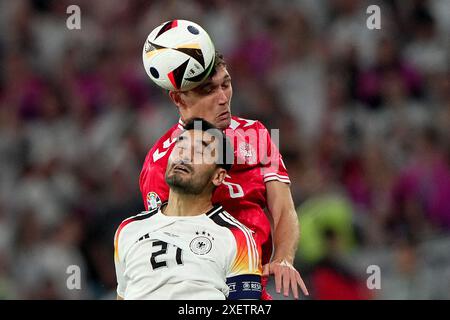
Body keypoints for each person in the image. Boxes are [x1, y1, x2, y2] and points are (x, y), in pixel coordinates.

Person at [140, 51, 308, 299]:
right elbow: (163, 242)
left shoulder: (256, 134)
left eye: (226, 85)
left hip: (252, 288)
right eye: (208, 90)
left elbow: (284, 209)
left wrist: (283, 259)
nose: (222, 98)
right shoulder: (162, 164)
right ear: (178, 98)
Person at [114, 119, 262, 299]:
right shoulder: (128, 229)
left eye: (199, 151)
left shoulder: (236, 238)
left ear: (218, 176)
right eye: (180, 148)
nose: (184, 156)